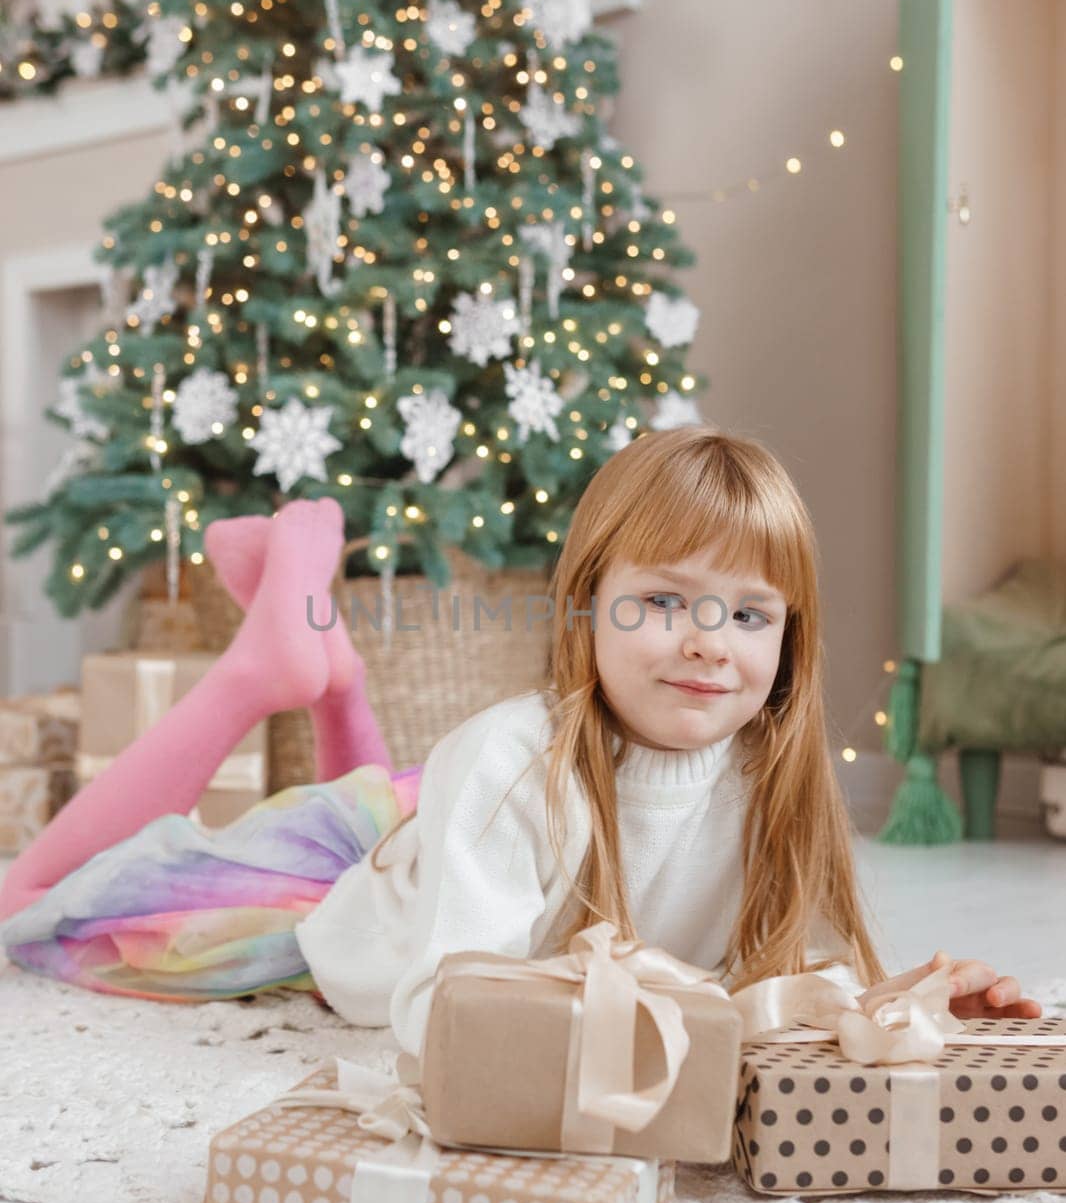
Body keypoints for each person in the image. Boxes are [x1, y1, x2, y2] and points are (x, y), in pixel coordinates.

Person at [0, 429, 1040, 1061]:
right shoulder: (507, 763)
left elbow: (781, 982)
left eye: (748, 615)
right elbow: (442, 1004)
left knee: (388, 808)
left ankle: (331, 665)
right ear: (587, 606)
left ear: (789, 640)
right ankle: (261, 667)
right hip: (336, 893)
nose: (705, 643)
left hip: (425, 825)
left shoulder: (773, 778)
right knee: (54, 904)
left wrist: (898, 1003)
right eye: (662, 601)